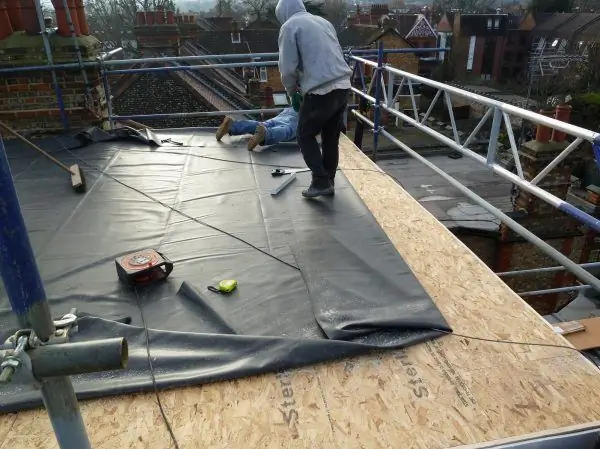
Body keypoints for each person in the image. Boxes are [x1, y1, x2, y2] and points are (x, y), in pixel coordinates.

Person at [276, 0, 352, 198]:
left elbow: (287, 67)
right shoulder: (323, 22)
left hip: (321, 90)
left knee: (304, 134)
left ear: (282, 13)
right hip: (342, 85)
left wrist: (291, 91)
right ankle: (328, 181)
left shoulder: (289, 26)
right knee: (330, 137)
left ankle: (320, 181)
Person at [215, 108, 298, 151]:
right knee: (288, 129)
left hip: (290, 109)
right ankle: (265, 135)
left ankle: (233, 126)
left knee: (263, 124)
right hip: (304, 112)